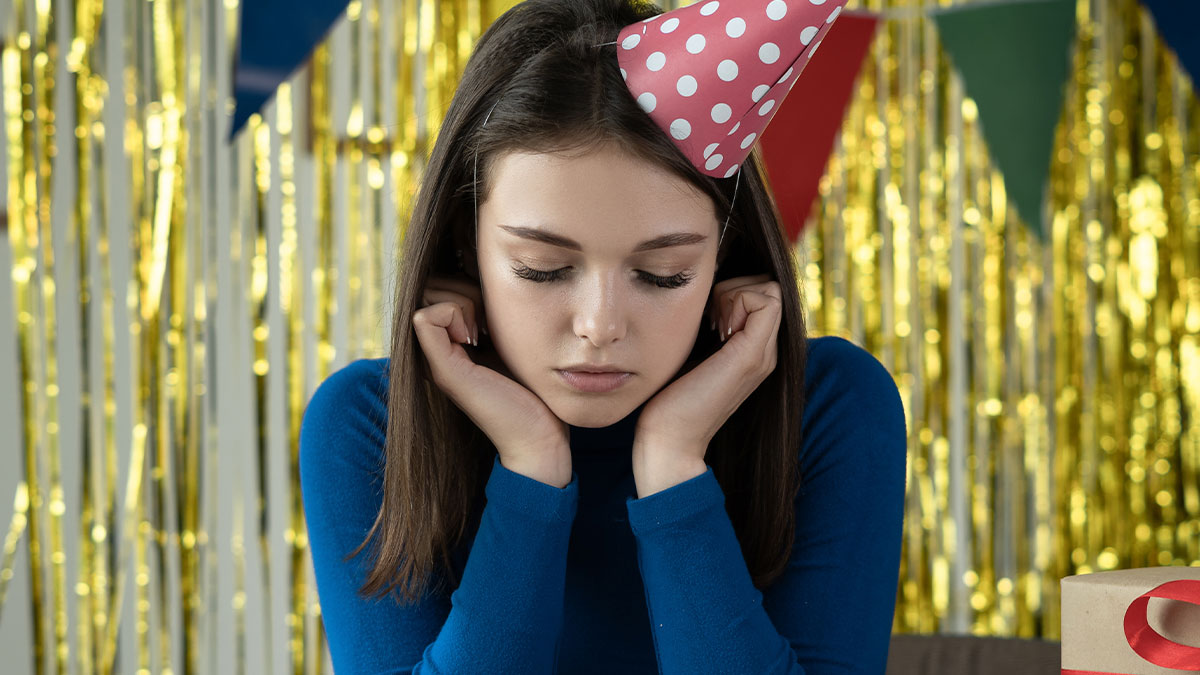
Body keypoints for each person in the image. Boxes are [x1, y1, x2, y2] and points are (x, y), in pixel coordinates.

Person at [298, 0, 907, 672]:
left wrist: (675, 464)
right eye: (543, 268)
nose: (600, 325)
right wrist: (530, 466)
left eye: (663, 274)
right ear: (466, 245)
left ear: (721, 260)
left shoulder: (831, 406)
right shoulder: (369, 425)